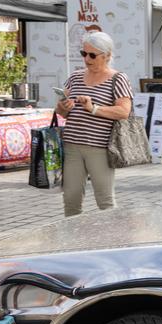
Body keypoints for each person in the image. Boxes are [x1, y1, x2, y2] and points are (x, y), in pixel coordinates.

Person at [55, 31, 134, 217]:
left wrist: (93, 108)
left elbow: (124, 112)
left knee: (104, 201)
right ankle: (73, 241)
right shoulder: (75, 77)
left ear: (107, 56)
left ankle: (112, 242)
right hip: (72, 146)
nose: (87, 59)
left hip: (99, 148)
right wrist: (63, 106)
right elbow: (60, 112)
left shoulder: (118, 79)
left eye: (92, 55)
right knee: (71, 199)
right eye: (84, 54)